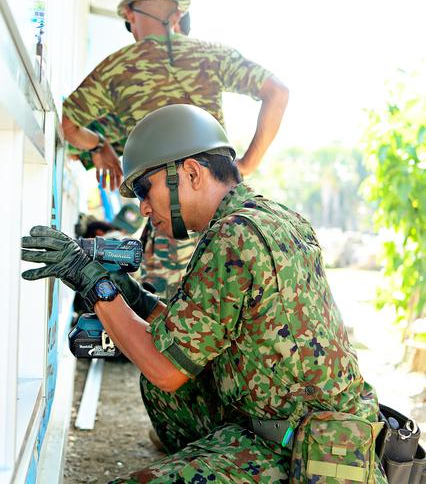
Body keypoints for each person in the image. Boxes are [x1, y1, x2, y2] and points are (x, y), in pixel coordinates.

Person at [22, 104, 385, 482]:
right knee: (165, 378)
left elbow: (166, 369)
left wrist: (92, 283)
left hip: (305, 455)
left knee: (160, 384)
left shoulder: (234, 236)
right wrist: (131, 296)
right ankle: (207, 457)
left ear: (191, 173)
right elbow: (187, 331)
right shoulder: (268, 217)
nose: (144, 207)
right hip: (295, 423)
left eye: (146, 190)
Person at [62, 0, 289, 300]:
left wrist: (98, 146)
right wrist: (246, 164)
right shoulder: (210, 54)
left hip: (170, 226)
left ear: (130, 12)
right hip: (222, 209)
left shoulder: (118, 67)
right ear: (179, 11)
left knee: (168, 325)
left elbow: (67, 128)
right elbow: (277, 92)